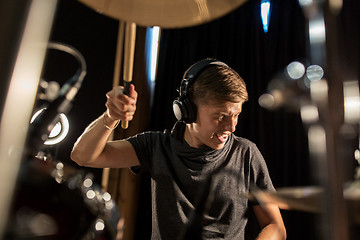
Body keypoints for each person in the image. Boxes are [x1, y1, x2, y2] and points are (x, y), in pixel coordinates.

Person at [71, 59, 286, 240]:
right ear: (188, 110)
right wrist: (111, 117)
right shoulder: (156, 146)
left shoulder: (247, 154)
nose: (231, 127)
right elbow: (83, 156)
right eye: (220, 117)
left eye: (236, 115)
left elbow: (276, 227)